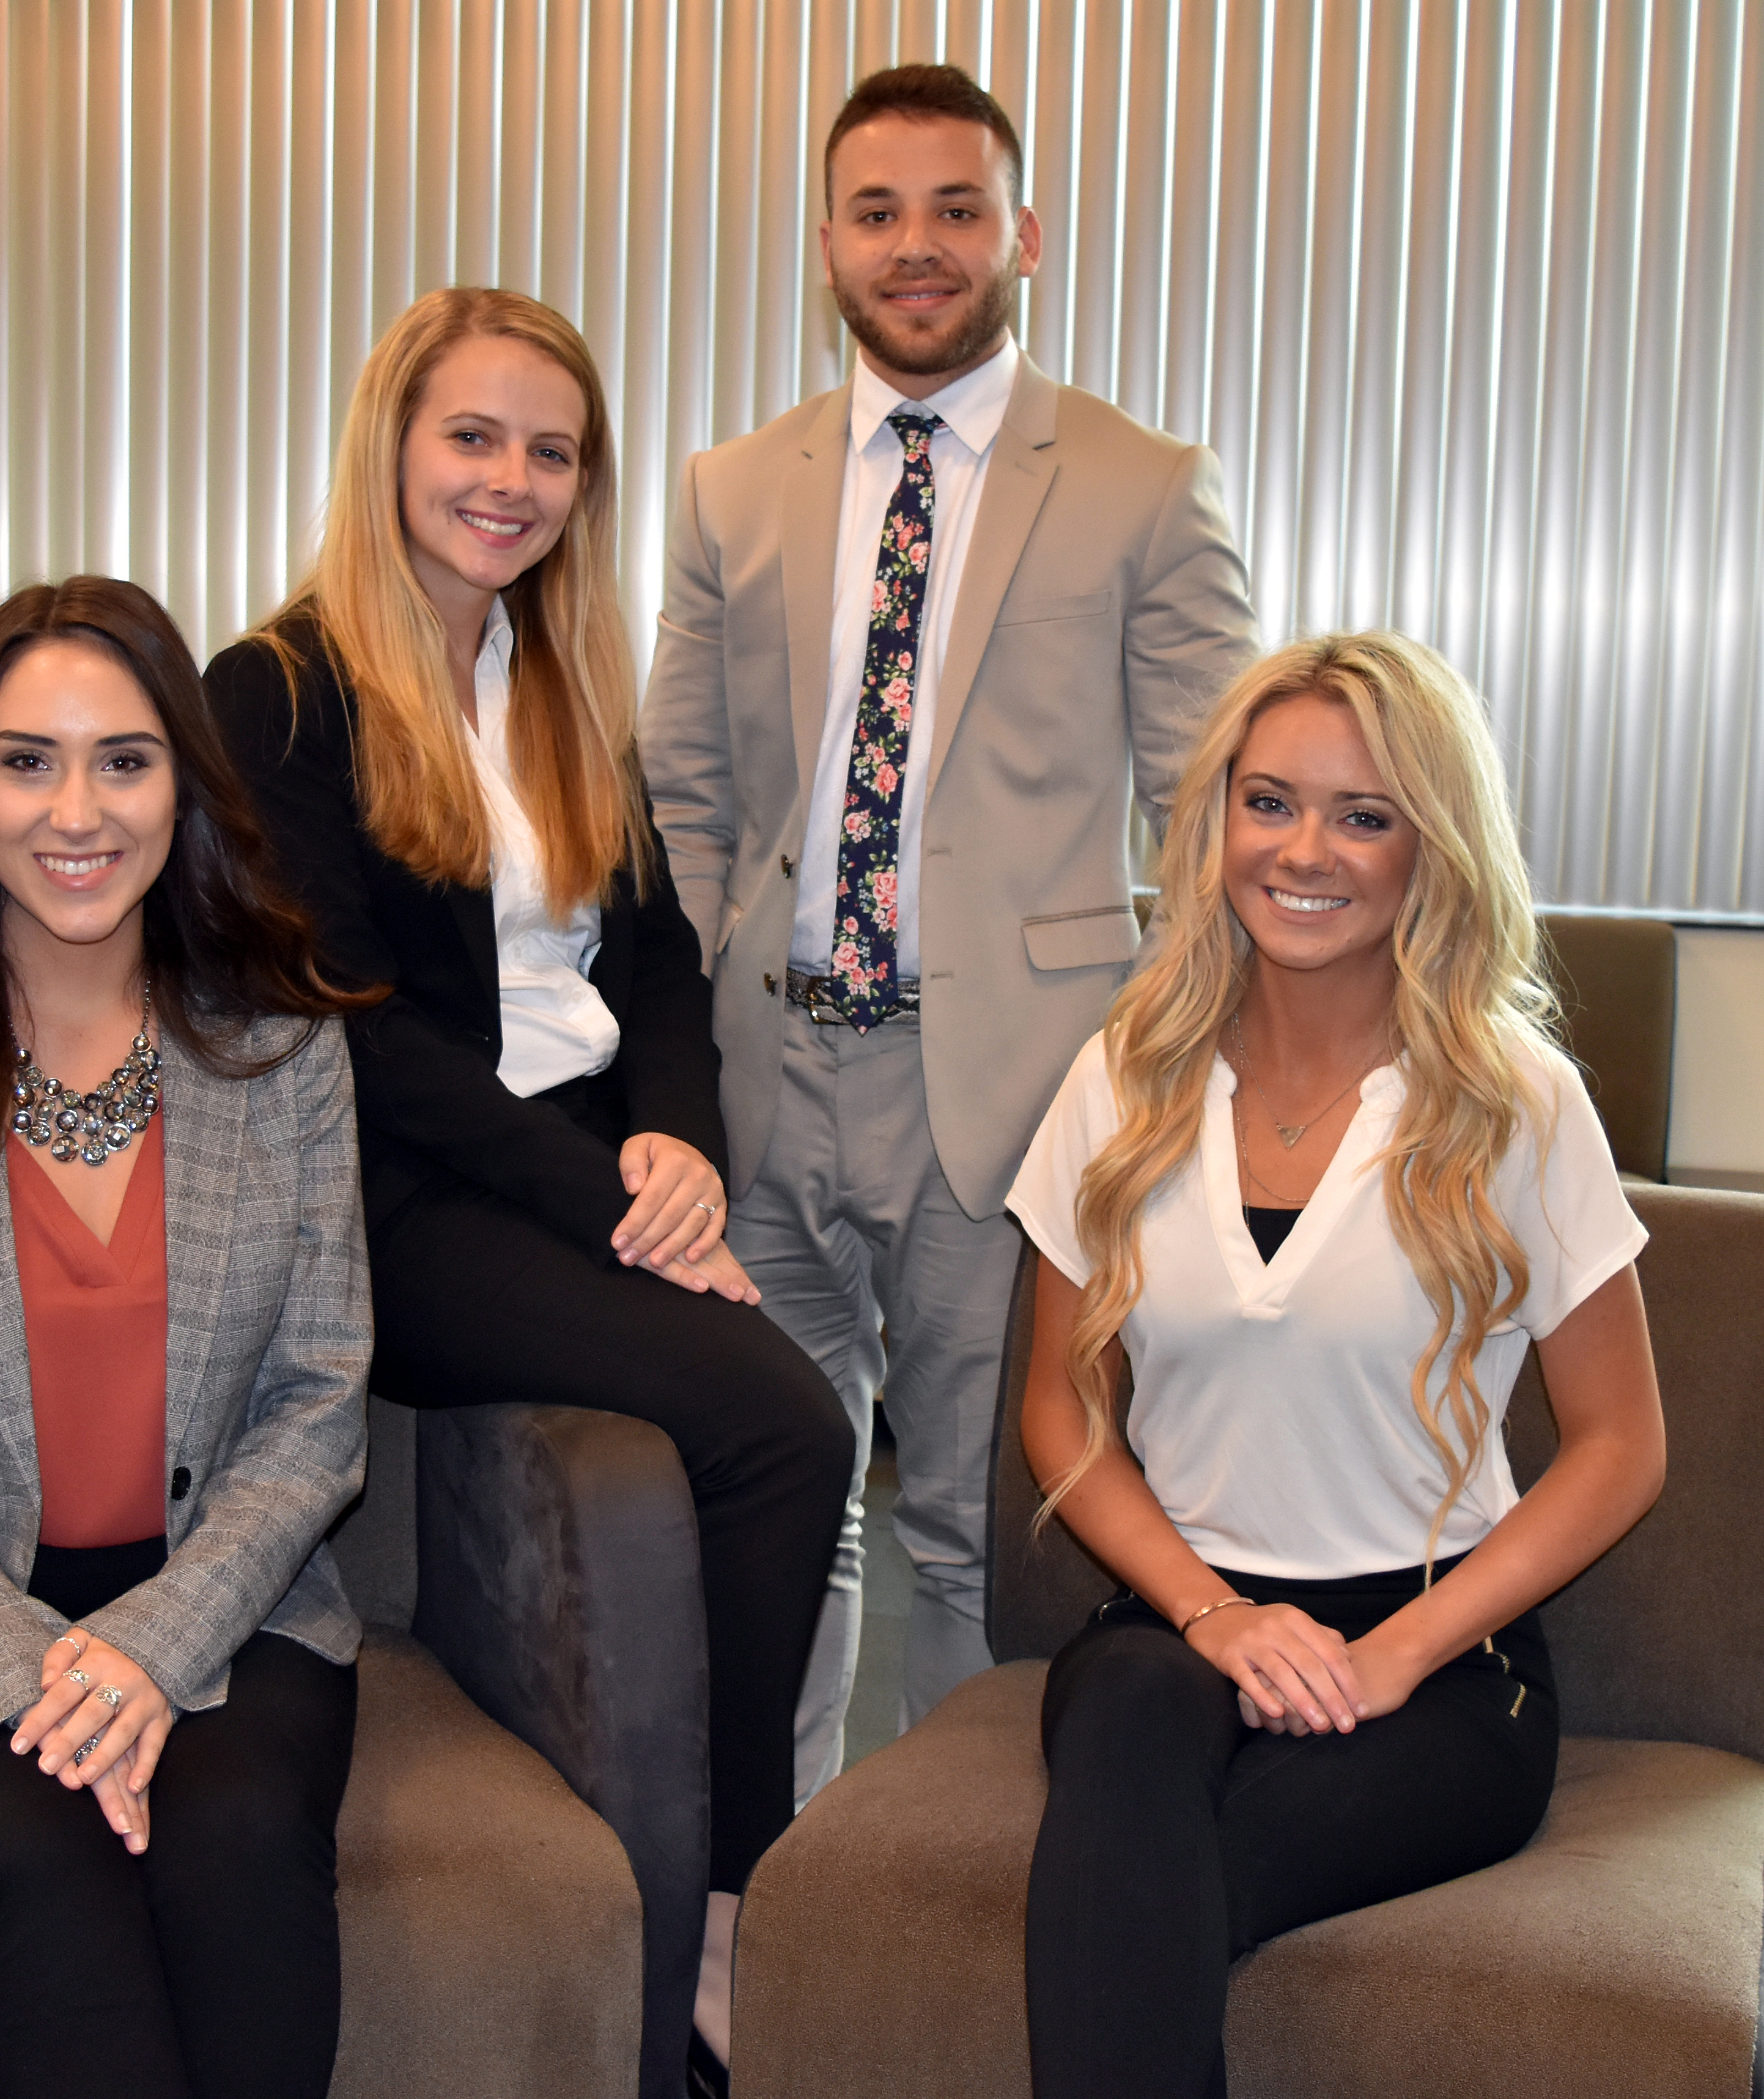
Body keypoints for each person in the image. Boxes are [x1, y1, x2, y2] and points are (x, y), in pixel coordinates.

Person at [203, 286, 851, 2093]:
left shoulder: (560, 679)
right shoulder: (278, 691)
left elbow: (651, 961)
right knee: (786, 1424)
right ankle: (733, 1912)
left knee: (778, 1429)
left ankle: (723, 1906)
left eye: (549, 449)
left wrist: (673, 1144)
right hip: (396, 1210)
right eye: (471, 436)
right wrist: (606, 1213)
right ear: (393, 445)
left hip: (577, 1175)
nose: (509, 479)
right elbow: (353, 1032)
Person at [638, 61, 1263, 1798]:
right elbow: (682, 801)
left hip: (1012, 1093)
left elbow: (1212, 815)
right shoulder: (731, 490)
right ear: (826, 243)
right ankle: (762, 1908)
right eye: (877, 210)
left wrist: (1144, 1086)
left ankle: (954, 1921)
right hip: (763, 1090)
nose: (917, 247)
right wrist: (691, 1057)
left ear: (1023, 234)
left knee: (985, 1543)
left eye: (955, 208)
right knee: (769, 1515)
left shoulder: (1144, 486)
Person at [1008, 632, 1665, 2097]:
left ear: (1432, 849)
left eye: (1365, 815)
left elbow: (1623, 1444)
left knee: (1135, 1895)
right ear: (1217, 819)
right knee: (1126, 1729)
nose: (1307, 851)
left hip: (1442, 1667)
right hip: (1175, 1627)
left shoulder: (1518, 1102)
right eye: (1271, 801)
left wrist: (1387, 1662)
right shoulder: (1125, 1068)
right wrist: (1215, 1617)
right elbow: (1059, 1403)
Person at [0, 576, 372, 2099]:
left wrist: (153, 1650)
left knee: (233, 1836)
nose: (75, 809)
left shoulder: (285, 1053)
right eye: (27, 759)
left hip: (239, 1603)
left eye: (125, 758)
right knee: (39, 1850)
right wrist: (33, 1665)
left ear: (185, 787)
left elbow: (319, 1409)